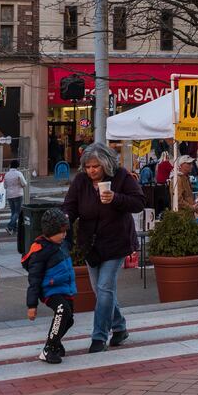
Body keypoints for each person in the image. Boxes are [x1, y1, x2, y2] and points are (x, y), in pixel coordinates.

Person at [63, 143, 142, 353]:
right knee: (100, 291)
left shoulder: (121, 177)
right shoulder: (81, 181)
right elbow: (70, 205)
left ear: (106, 164)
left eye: (96, 166)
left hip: (116, 242)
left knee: (105, 288)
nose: (92, 171)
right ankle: (120, 326)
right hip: (91, 244)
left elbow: (138, 202)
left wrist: (116, 198)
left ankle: (99, 337)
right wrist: (65, 220)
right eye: (88, 167)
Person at [23, 207, 77, 364]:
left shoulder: (62, 244)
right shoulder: (41, 250)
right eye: (61, 232)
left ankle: (55, 341)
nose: (64, 235)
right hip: (50, 290)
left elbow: (69, 235)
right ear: (50, 232)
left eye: (65, 231)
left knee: (68, 318)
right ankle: (49, 348)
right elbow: (34, 279)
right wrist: (31, 305)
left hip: (65, 288)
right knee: (62, 310)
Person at [3, 159, 27, 236]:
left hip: (9, 195)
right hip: (18, 194)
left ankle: (14, 228)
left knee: (13, 212)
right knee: (17, 211)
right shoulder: (18, 174)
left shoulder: (6, 174)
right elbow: (24, 184)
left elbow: (5, 186)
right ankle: (10, 226)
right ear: (17, 166)